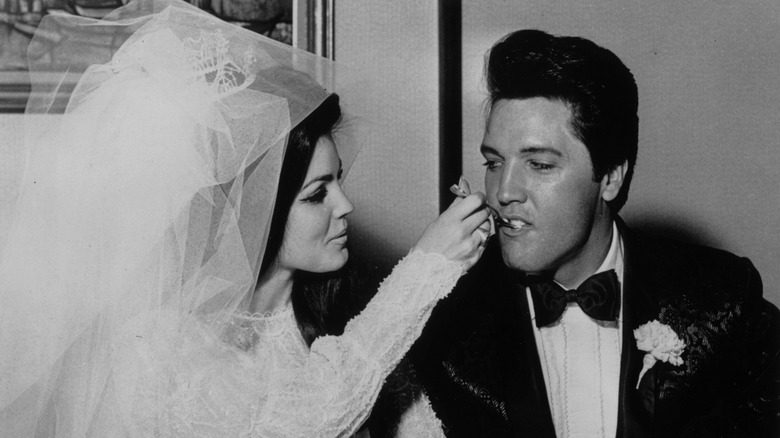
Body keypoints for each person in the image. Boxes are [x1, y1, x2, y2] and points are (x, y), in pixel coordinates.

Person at [0, 0, 491, 436]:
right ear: (256, 207)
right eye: (318, 193)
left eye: (339, 181)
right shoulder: (157, 348)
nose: (346, 206)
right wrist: (425, 269)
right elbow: (301, 421)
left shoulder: (341, 311)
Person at [368, 29, 780, 437]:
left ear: (611, 178)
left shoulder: (723, 299)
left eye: (540, 165)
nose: (504, 191)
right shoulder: (446, 324)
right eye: (494, 163)